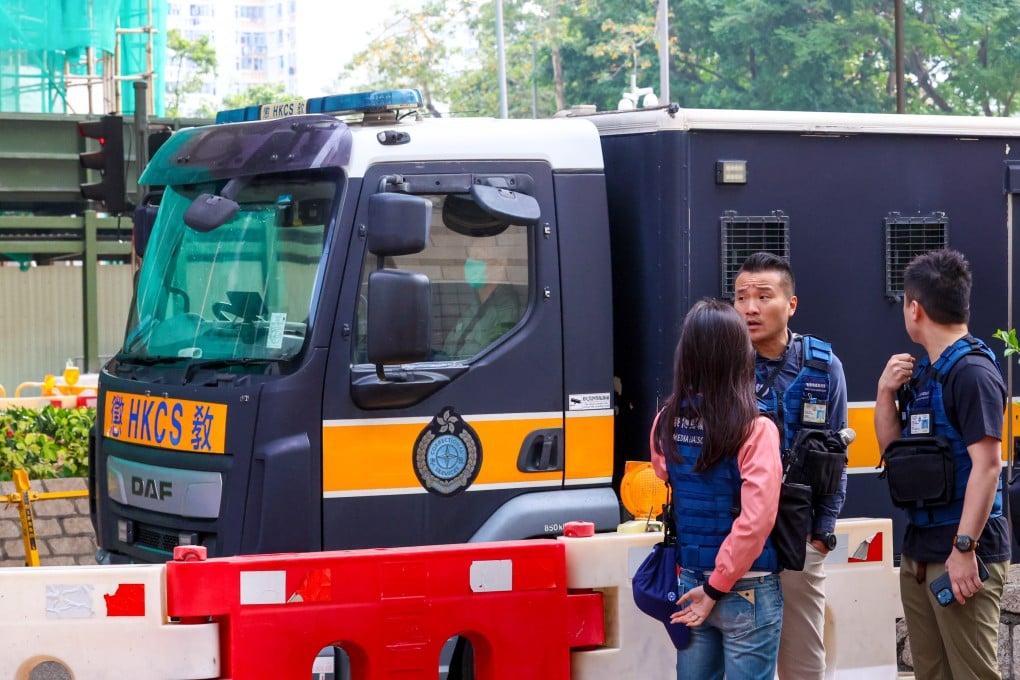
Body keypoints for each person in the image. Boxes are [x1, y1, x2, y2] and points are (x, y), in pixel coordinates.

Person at [875, 248, 1007, 680]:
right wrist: (884, 395)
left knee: (972, 674)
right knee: (931, 674)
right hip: (921, 549)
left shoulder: (971, 373)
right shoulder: (926, 373)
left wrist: (964, 549)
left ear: (914, 309)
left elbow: (989, 465)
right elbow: (898, 457)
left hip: (963, 552)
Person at [650, 298, 783, 680]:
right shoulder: (755, 428)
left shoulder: (666, 420)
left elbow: (663, 471)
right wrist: (716, 587)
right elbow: (755, 522)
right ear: (740, 356)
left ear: (687, 355)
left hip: (690, 579)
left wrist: (706, 588)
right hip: (747, 588)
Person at [732, 252, 848, 680]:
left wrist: (823, 534)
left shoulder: (823, 367)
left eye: (764, 296)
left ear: (791, 304)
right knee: (742, 658)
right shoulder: (723, 365)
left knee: (802, 661)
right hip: (736, 532)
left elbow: (837, 453)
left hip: (800, 532)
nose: (750, 308)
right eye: (741, 297)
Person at [441, 245, 523, 359]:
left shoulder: (505, 309)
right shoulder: (474, 303)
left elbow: (494, 360)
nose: (470, 264)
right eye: (469, 257)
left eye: (478, 259)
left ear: (499, 265)